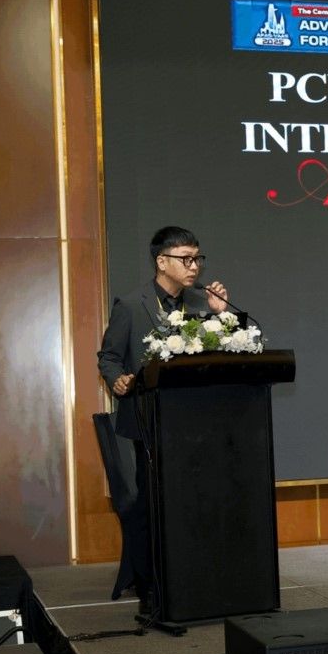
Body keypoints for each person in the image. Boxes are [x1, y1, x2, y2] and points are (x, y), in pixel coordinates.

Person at [97, 225, 231, 617]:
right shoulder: (130, 304)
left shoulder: (202, 302)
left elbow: (224, 353)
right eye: (185, 259)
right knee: (153, 503)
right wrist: (116, 379)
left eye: (198, 258)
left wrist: (222, 316)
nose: (194, 267)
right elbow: (109, 356)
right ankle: (151, 584)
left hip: (193, 423)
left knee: (194, 501)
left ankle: (193, 575)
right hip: (148, 421)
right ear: (161, 261)